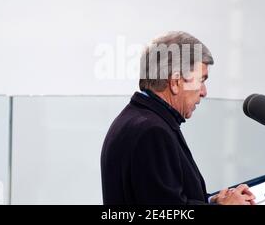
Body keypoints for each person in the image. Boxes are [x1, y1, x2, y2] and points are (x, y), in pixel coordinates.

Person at [100, 31, 255, 205]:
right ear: (175, 82)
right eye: (201, 80)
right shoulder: (152, 132)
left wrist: (213, 201)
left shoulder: (137, 119)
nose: (204, 92)